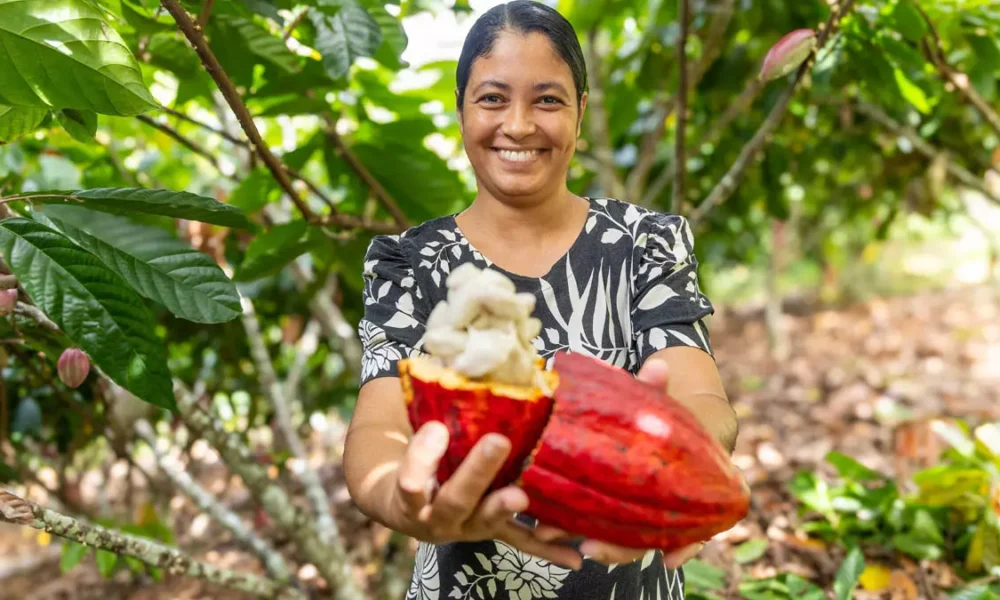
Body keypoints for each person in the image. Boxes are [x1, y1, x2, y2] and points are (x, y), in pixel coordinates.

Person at [343, 1, 743, 598]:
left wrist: (683, 457)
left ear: (581, 113)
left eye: (549, 99)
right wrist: (406, 499)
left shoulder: (643, 243)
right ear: (460, 113)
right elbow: (378, 429)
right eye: (493, 98)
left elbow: (701, 396)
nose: (520, 125)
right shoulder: (411, 261)